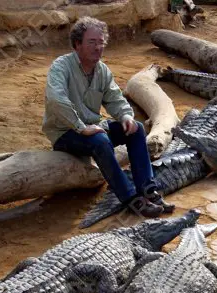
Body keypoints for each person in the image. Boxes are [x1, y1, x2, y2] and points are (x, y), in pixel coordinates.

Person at [42, 16, 173, 217]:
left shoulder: (102, 70)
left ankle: (148, 189)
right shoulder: (61, 67)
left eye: (101, 42)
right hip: (65, 132)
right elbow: (56, 100)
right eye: (92, 42)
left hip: (92, 129)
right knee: (101, 141)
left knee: (136, 129)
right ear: (77, 44)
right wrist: (80, 127)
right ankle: (131, 199)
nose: (98, 47)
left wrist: (126, 117)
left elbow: (115, 99)